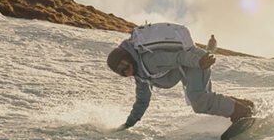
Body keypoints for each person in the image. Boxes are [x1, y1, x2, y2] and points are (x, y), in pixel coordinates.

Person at [106, 27, 254, 130]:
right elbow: (142, 101)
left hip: (193, 62)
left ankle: (241, 112)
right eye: (121, 72)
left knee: (199, 101)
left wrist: (198, 62)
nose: (125, 71)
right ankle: (244, 105)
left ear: (127, 58)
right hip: (190, 65)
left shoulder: (149, 60)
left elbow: (179, 57)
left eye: (124, 65)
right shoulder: (141, 75)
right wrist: (129, 123)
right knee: (202, 100)